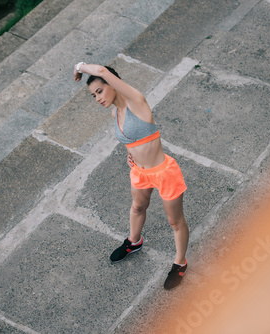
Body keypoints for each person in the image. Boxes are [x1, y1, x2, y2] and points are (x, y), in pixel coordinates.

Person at [73, 62, 189, 290]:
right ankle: (134, 242)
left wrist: (80, 67)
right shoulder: (117, 113)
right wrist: (130, 155)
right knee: (137, 208)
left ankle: (180, 263)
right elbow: (131, 139)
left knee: (175, 222)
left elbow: (104, 72)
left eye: (100, 91)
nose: (97, 98)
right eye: (93, 95)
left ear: (113, 84)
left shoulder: (137, 101)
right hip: (140, 173)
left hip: (163, 173)